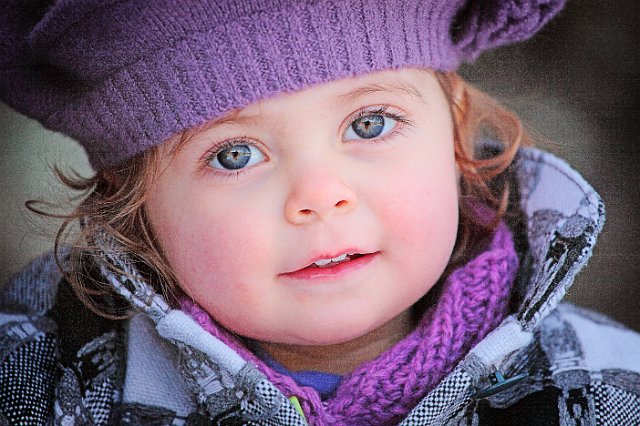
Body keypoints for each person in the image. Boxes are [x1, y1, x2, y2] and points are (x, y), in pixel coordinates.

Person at [1, 0, 638, 424]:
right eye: (235, 156)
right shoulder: (43, 390)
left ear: (457, 139)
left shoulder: (605, 384)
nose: (318, 195)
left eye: (369, 123)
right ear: (134, 209)